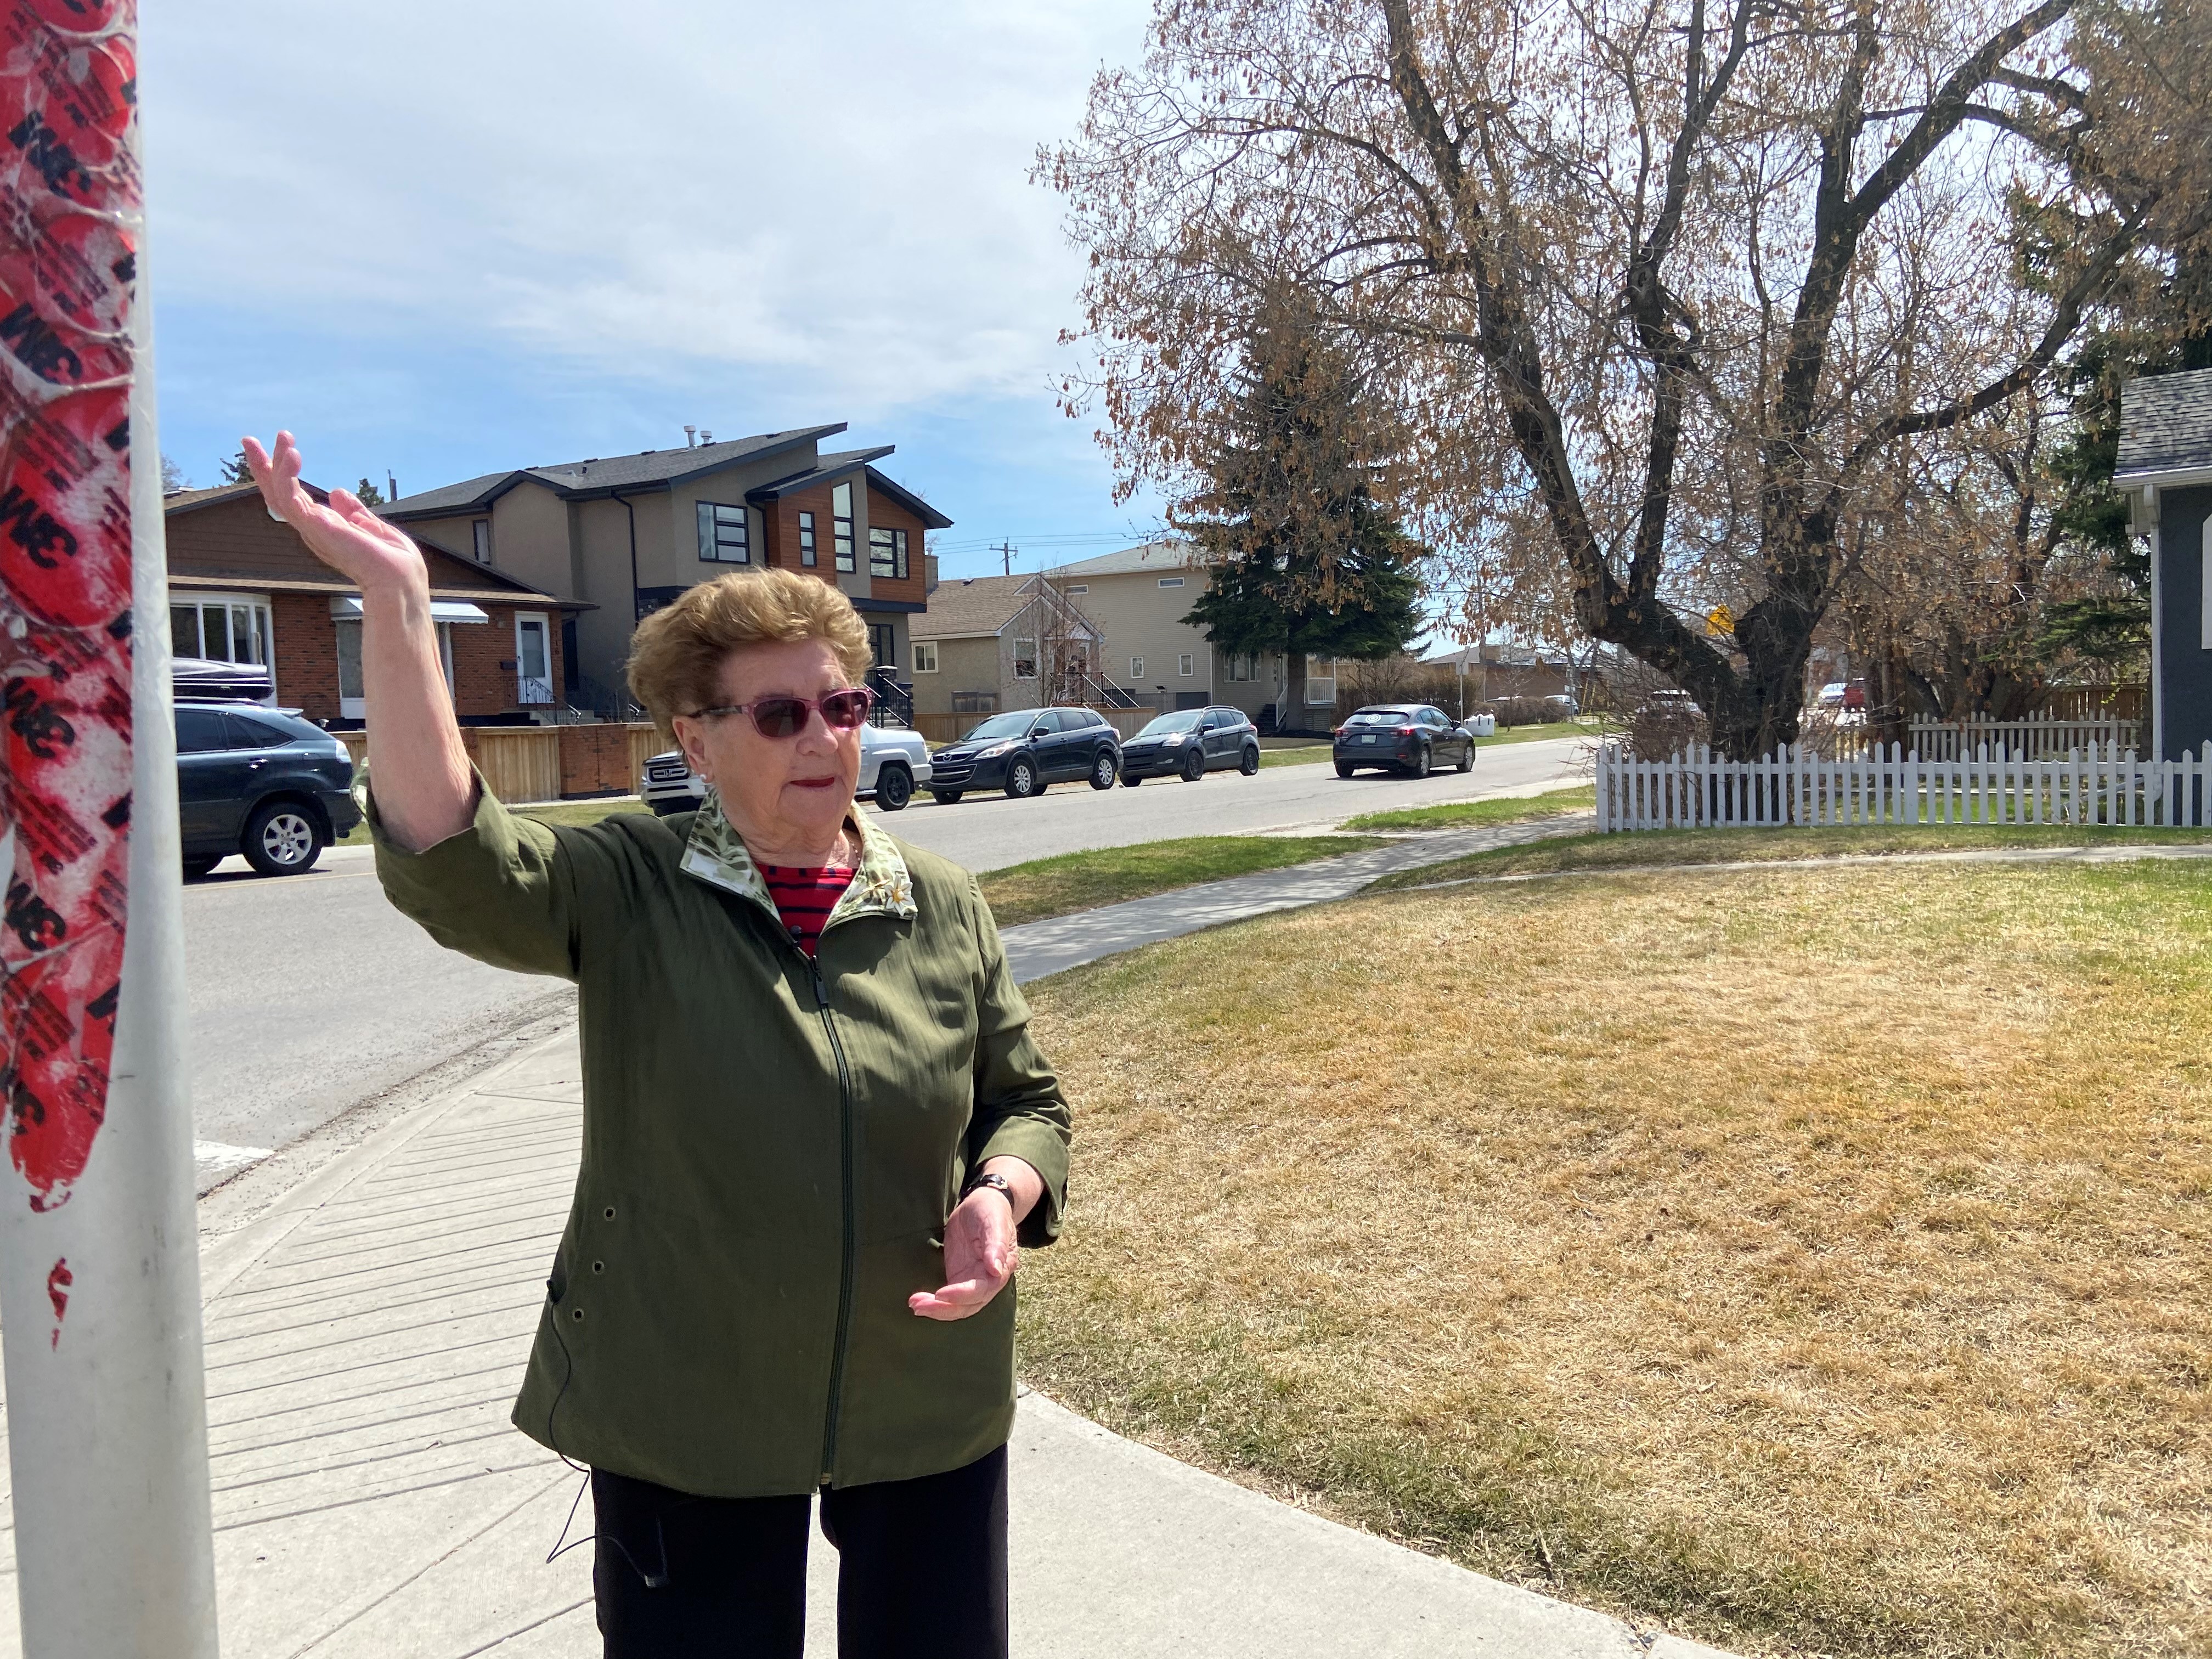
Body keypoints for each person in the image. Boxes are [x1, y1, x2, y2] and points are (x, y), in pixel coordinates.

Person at [241, 432, 1070, 1658]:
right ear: (696, 740)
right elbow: (456, 858)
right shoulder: (632, 882)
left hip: (926, 1387)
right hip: (690, 1404)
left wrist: (1003, 1192)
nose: (824, 738)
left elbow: (1026, 1100)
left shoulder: (941, 901)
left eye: (844, 706)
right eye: (779, 714)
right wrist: (400, 604)